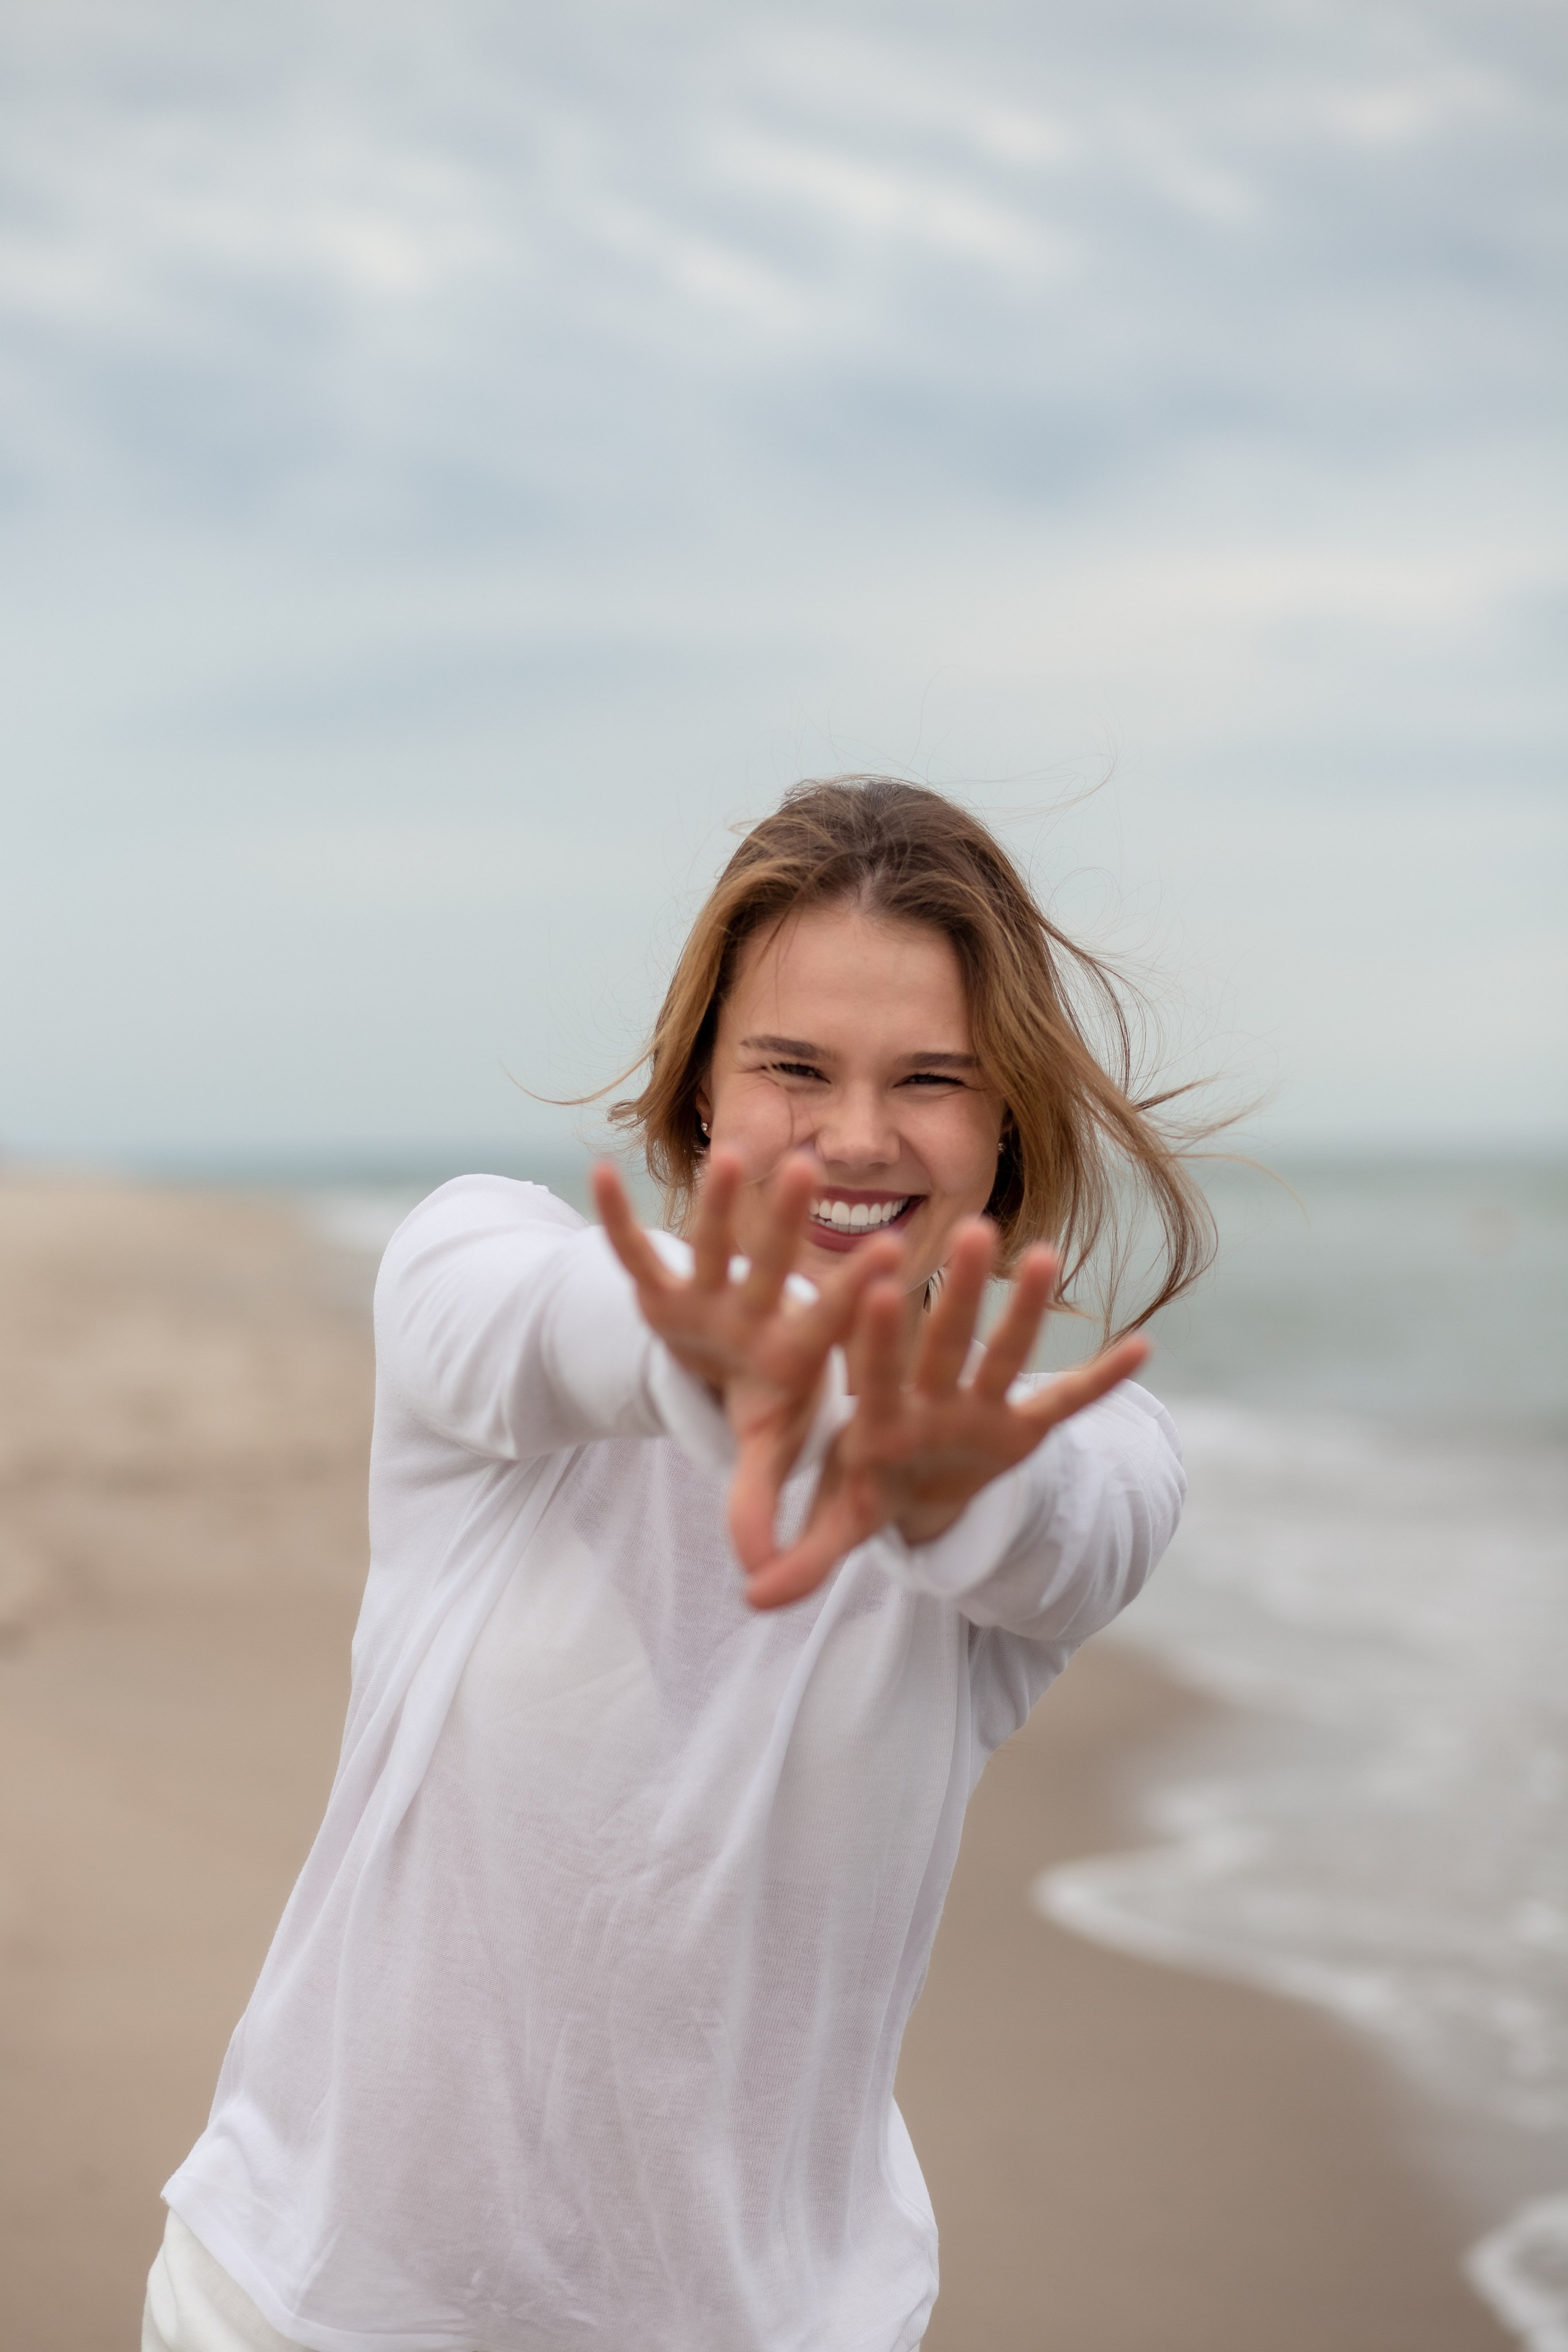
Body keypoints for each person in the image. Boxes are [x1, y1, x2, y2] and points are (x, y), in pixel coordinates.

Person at [145, 777, 1209, 2352]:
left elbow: (1064, 1526)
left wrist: (937, 1493)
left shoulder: (1077, 1450)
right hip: (307, 2304)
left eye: (931, 1080)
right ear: (703, 1083)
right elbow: (520, 1324)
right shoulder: (482, 1267)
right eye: (793, 1067)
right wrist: (699, 1357)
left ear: (1000, 1132)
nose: (855, 1136)